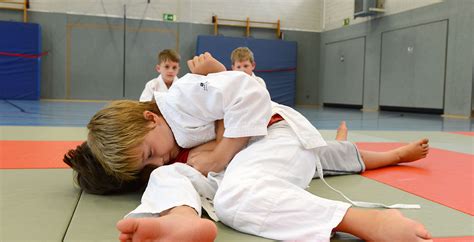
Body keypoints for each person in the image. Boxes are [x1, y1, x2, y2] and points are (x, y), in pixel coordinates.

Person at [83, 53, 432, 242]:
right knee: (169, 177)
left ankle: (364, 220)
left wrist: (221, 149)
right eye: (146, 164)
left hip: (274, 133)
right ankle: (181, 219)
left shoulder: (181, 97)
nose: (158, 160)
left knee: (236, 197)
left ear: (150, 118)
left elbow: (248, 91)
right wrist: (166, 170)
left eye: (149, 153)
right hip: (256, 156)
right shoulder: (170, 154)